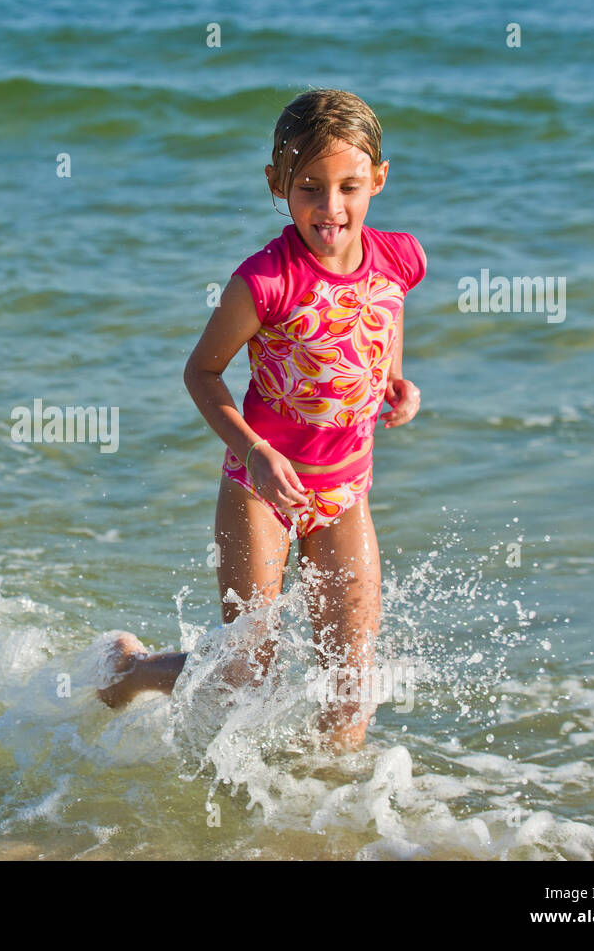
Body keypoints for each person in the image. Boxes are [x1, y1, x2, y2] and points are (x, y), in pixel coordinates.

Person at [99, 89, 425, 751]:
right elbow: (201, 372)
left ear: (378, 182)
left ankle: (325, 820)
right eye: (309, 187)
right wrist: (250, 451)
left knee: (349, 686)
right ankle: (130, 669)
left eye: (348, 187)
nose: (330, 208)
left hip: (344, 494)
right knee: (247, 675)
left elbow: (385, 315)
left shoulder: (400, 258)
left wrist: (393, 376)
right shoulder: (263, 282)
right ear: (278, 185)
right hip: (260, 492)